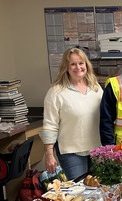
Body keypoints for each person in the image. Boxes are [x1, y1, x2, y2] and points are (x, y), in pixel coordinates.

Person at [40, 47, 103, 180]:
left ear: (86, 65)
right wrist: (49, 154)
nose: (78, 67)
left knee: (98, 190)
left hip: (97, 149)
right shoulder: (56, 91)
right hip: (71, 152)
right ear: (66, 67)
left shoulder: (95, 87)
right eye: (73, 64)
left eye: (81, 63)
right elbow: (50, 125)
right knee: (80, 191)